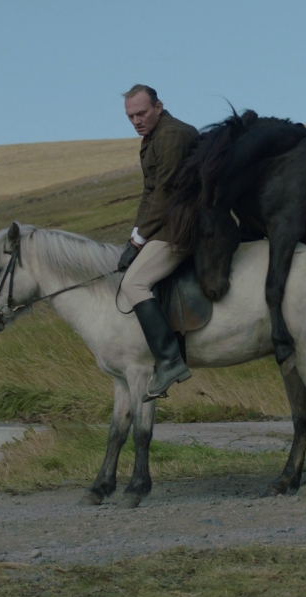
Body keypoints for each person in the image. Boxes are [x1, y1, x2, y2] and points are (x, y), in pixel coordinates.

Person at [118, 84, 198, 402]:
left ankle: (169, 361)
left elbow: (165, 191)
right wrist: (135, 234)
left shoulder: (173, 135)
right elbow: (149, 192)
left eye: (141, 113)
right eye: (130, 116)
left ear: (159, 107)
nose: (136, 121)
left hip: (184, 227)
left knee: (134, 283)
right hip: (167, 225)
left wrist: (140, 239)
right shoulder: (152, 138)